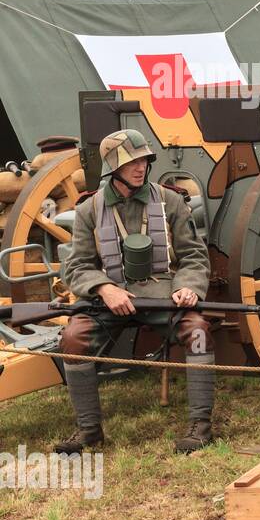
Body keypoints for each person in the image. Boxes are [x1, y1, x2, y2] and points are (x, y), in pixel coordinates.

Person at [53, 129, 214, 455]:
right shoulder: (89, 210)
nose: (140, 167)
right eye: (131, 162)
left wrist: (187, 286)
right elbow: (77, 266)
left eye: (143, 160)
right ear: (114, 168)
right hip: (109, 300)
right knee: (72, 340)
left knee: (197, 331)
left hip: (163, 295)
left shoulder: (170, 200)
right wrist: (104, 288)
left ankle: (201, 427)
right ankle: (89, 430)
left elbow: (194, 255)